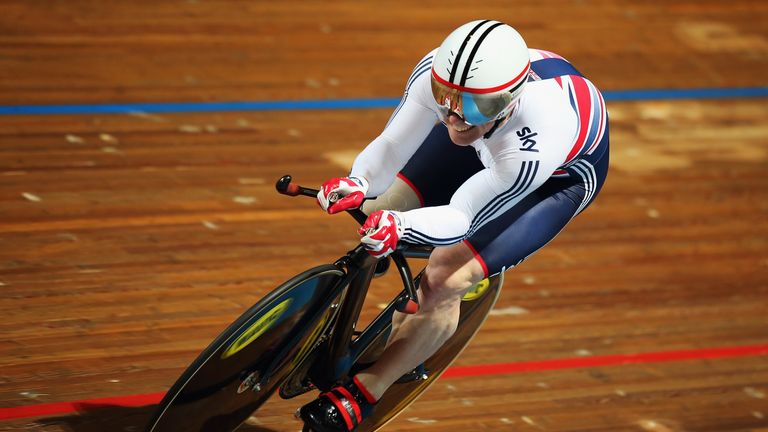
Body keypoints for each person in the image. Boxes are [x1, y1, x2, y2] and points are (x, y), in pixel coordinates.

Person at [300, 19, 609, 431]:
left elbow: (463, 217)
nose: (456, 117)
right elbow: (393, 144)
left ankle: (367, 391)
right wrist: (359, 182)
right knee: (387, 202)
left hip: (555, 178)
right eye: (446, 98)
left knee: (445, 276)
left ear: (509, 100)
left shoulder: (536, 138)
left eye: (475, 106)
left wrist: (401, 228)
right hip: (496, 135)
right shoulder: (444, 84)